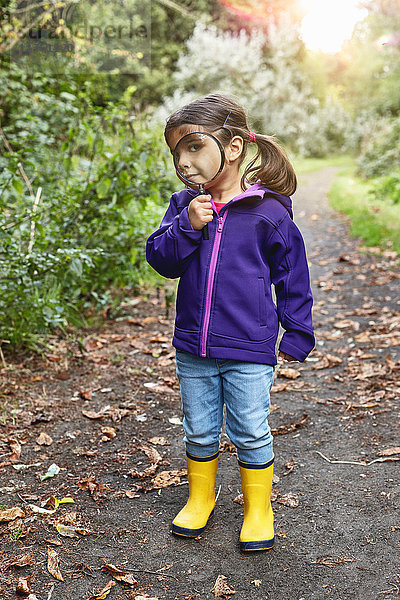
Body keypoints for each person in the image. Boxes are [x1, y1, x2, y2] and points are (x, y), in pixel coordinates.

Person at [146, 94, 315, 552]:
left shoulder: (268, 212)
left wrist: (297, 331)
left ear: (235, 147)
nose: (184, 161)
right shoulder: (185, 206)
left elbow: (292, 276)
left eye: (194, 147)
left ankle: (258, 508)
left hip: (248, 349)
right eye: (176, 151)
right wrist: (186, 226)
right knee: (198, 428)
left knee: (249, 430)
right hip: (193, 349)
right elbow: (161, 260)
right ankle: (201, 497)